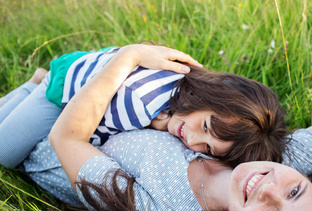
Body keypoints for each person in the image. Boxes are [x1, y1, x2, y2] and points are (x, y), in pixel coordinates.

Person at [1, 45, 312, 211]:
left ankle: (34, 87)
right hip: (96, 103)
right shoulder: (277, 162)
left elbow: (65, 140)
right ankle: (38, 85)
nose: (267, 191)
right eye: (295, 191)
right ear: (307, 178)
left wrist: (127, 58)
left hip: (44, 138)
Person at [0, 45, 287, 169]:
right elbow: (84, 134)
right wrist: (151, 122)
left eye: (209, 149)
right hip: (65, 86)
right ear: (215, 97)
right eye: (207, 127)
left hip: (90, 65)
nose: (193, 140)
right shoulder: (140, 104)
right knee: (6, 151)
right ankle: (35, 84)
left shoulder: (185, 87)